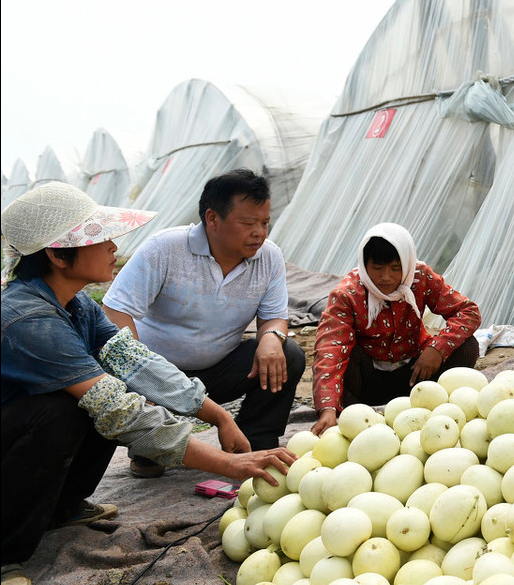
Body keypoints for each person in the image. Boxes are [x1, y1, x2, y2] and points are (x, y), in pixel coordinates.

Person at [1, 183, 295, 585]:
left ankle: (62, 507)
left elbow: (136, 362)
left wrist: (217, 416)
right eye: (100, 238)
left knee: (106, 390)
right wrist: (228, 464)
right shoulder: (28, 319)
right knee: (71, 409)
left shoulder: (77, 305)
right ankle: (5, 554)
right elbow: (116, 409)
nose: (112, 247)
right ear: (57, 255)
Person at [102, 169, 304, 476]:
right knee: (151, 456)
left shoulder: (269, 258)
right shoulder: (165, 249)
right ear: (212, 219)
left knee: (286, 353)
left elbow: (274, 316)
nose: (260, 233)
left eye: (264, 223)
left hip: (220, 370)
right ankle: (150, 447)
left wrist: (272, 338)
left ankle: (256, 444)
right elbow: (116, 312)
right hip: (161, 378)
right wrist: (142, 375)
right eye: (248, 223)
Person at [311, 223, 481, 434]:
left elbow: (468, 312)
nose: (386, 277)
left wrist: (437, 348)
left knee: (468, 345)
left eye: (395, 268)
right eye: (377, 267)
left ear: (408, 264)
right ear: (364, 264)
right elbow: (329, 351)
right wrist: (327, 409)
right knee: (345, 352)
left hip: (415, 373)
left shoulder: (420, 277)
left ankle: (430, 401)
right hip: (368, 380)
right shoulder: (347, 294)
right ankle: (357, 413)